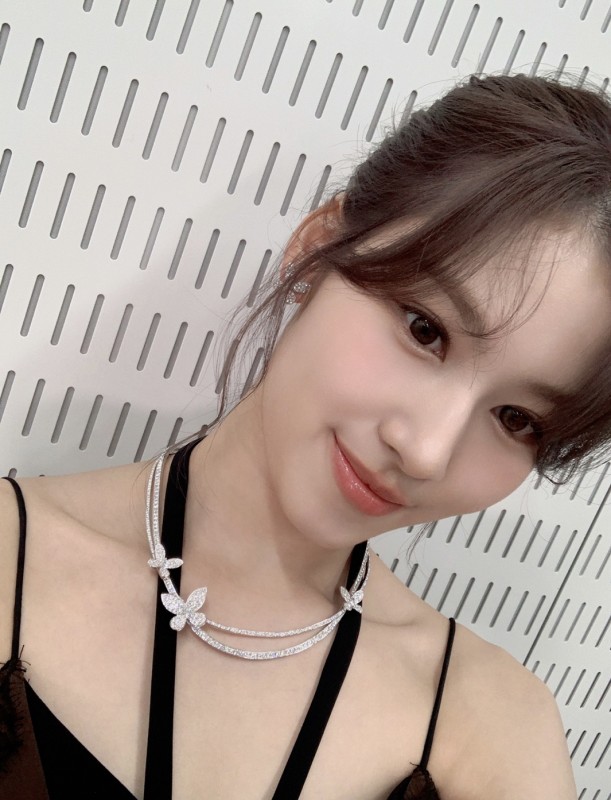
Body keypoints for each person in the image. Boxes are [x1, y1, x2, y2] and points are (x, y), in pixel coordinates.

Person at [1, 72, 608, 799]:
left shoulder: (492, 727)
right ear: (317, 246)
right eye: (425, 330)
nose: (425, 451)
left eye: (517, 420)